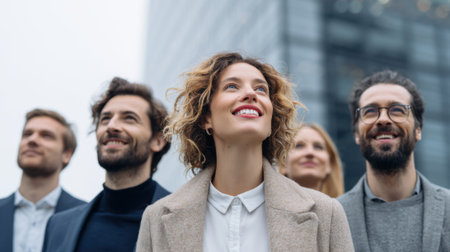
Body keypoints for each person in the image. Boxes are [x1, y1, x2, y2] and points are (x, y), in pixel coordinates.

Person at [136, 52, 354, 251]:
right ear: (206, 118)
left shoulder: (327, 213)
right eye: (232, 86)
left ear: (271, 119)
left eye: (261, 89)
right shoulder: (155, 219)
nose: (250, 93)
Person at [43, 77, 171, 252]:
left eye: (129, 118)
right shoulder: (58, 226)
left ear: (157, 140)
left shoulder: (185, 217)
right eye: (105, 119)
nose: (112, 126)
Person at [338, 70, 450, 251]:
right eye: (370, 111)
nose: (383, 119)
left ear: (418, 129)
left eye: (397, 110)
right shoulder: (331, 216)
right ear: (357, 134)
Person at [0, 109, 85, 252]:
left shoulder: (85, 217)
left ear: (67, 154)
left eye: (46, 136)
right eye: (27, 134)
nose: (32, 140)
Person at [280, 123, 345, 198]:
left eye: (318, 147)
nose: (310, 152)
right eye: (299, 146)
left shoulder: (345, 208)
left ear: (329, 164)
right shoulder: (265, 207)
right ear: (283, 163)